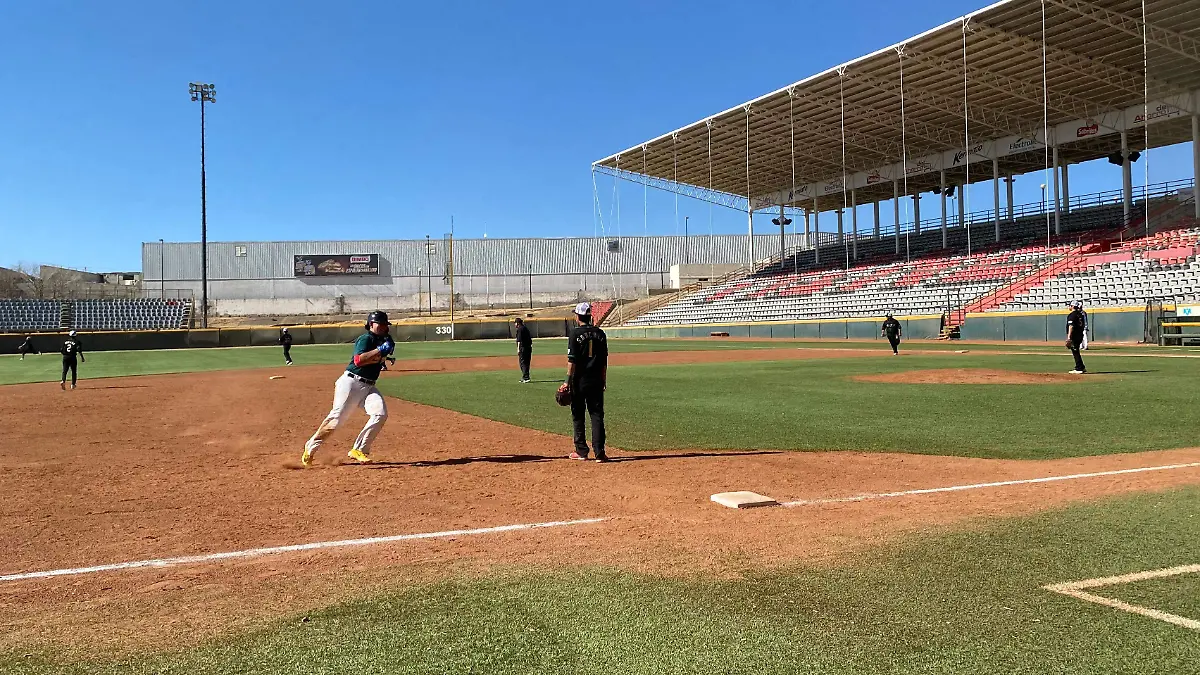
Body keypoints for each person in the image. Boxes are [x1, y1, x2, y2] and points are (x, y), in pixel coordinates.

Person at [301, 311, 395, 466]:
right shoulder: (366, 339)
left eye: (386, 324)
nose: (384, 327)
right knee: (336, 420)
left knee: (380, 414)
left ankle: (359, 449)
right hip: (351, 383)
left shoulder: (383, 340)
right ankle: (310, 447)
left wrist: (386, 354)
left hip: (369, 386)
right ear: (371, 324)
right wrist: (380, 350)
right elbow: (358, 361)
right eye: (381, 324)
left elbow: (377, 358)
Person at [565, 302, 609, 462]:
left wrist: (567, 381)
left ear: (578, 317)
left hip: (579, 381)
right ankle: (599, 452)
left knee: (578, 415)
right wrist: (603, 380)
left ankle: (581, 450)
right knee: (596, 415)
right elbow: (604, 361)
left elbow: (572, 360)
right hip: (596, 379)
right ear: (590, 316)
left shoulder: (574, 333)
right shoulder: (600, 333)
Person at [1066, 301, 1087, 374]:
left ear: (1072, 306)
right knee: (1076, 351)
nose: (1069, 307)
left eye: (1070, 305)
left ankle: (1079, 368)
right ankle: (1081, 367)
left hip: (1074, 336)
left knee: (1075, 352)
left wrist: (1069, 337)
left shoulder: (1072, 315)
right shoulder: (1080, 314)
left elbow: (1071, 326)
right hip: (1080, 335)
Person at [515, 317, 532, 383]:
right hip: (529, 348)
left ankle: (526, 377)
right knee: (527, 363)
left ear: (517, 323)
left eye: (515, 323)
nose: (515, 324)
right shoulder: (525, 328)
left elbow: (519, 340)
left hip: (523, 348)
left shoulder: (520, 329)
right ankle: (526, 377)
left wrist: (518, 349)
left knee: (523, 363)